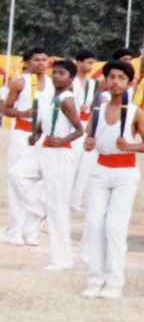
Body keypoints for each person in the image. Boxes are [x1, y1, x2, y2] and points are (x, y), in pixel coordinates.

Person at [81, 59, 144, 299]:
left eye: (121, 78)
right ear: (105, 80)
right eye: (111, 77)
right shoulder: (97, 111)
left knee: (114, 227)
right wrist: (88, 143)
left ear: (129, 83)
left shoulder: (134, 112)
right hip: (100, 171)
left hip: (125, 173)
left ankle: (114, 283)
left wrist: (129, 146)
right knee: (94, 225)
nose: (115, 82)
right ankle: (95, 280)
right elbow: (90, 140)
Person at [10, 59, 82, 270]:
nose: (56, 76)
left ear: (70, 79)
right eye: (55, 72)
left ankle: (62, 259)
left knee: (58, 208)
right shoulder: (54, 96)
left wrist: (63, 140)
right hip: (44, 148)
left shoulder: (68, 99)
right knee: (17, 173)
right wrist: (37, 133)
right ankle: (38, 209)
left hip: (59, 153)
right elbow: (46, 119)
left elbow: (80, 129)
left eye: (61, 73)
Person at [3, 47, 54, 246]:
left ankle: (31, 232)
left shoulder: (52, 83)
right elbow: (5, 109)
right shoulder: (20, 82)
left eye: (44, 59)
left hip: (43, 137)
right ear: (27, 62)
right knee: (17, 181)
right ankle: (15, 230)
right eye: (36, 60)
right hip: (22, 135)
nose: (41, 63)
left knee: (39, 183)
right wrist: (22, 114)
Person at [70, 50, 99, 213]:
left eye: (92, 63)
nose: (90, 66)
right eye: (88, 62)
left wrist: (91, 129)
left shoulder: (93, 84)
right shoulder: (70, 81)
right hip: (71, 125)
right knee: (71, 163)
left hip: (86, 125)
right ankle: (65, 197)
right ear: (78, 62)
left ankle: (76, 200)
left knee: (85, 166)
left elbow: (94, 108)